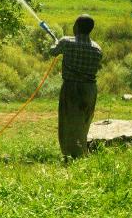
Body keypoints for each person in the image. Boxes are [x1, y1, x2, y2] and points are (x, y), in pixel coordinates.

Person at [50, 14, 103, 160]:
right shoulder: (97, 48)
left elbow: (53, 52)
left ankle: (70, 155)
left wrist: (55, 43)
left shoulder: (66, 41)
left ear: (77, 27)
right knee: (84, 122)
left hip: (72, 88)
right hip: (90, 89)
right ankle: (81, 152)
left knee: (68, 121)